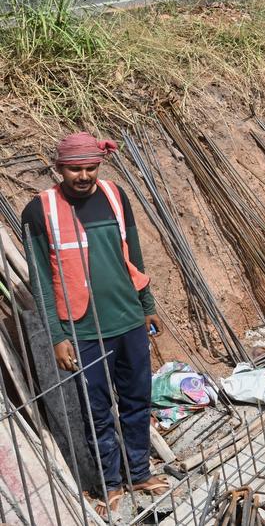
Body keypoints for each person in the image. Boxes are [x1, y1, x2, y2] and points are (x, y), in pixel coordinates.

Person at [21, 133, 164, 518]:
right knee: (96, 410)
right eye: (74, 168)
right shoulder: (40, 210)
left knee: (137, 401)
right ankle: (109, 483)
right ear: (58, 168)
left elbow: (132, 253)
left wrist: (146, 304)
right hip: (82, 329)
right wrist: (57, 335)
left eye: (90, 167)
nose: (83, 175)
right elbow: (39, 280)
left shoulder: (115, 195)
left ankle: (138, 473)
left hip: (128, 318)